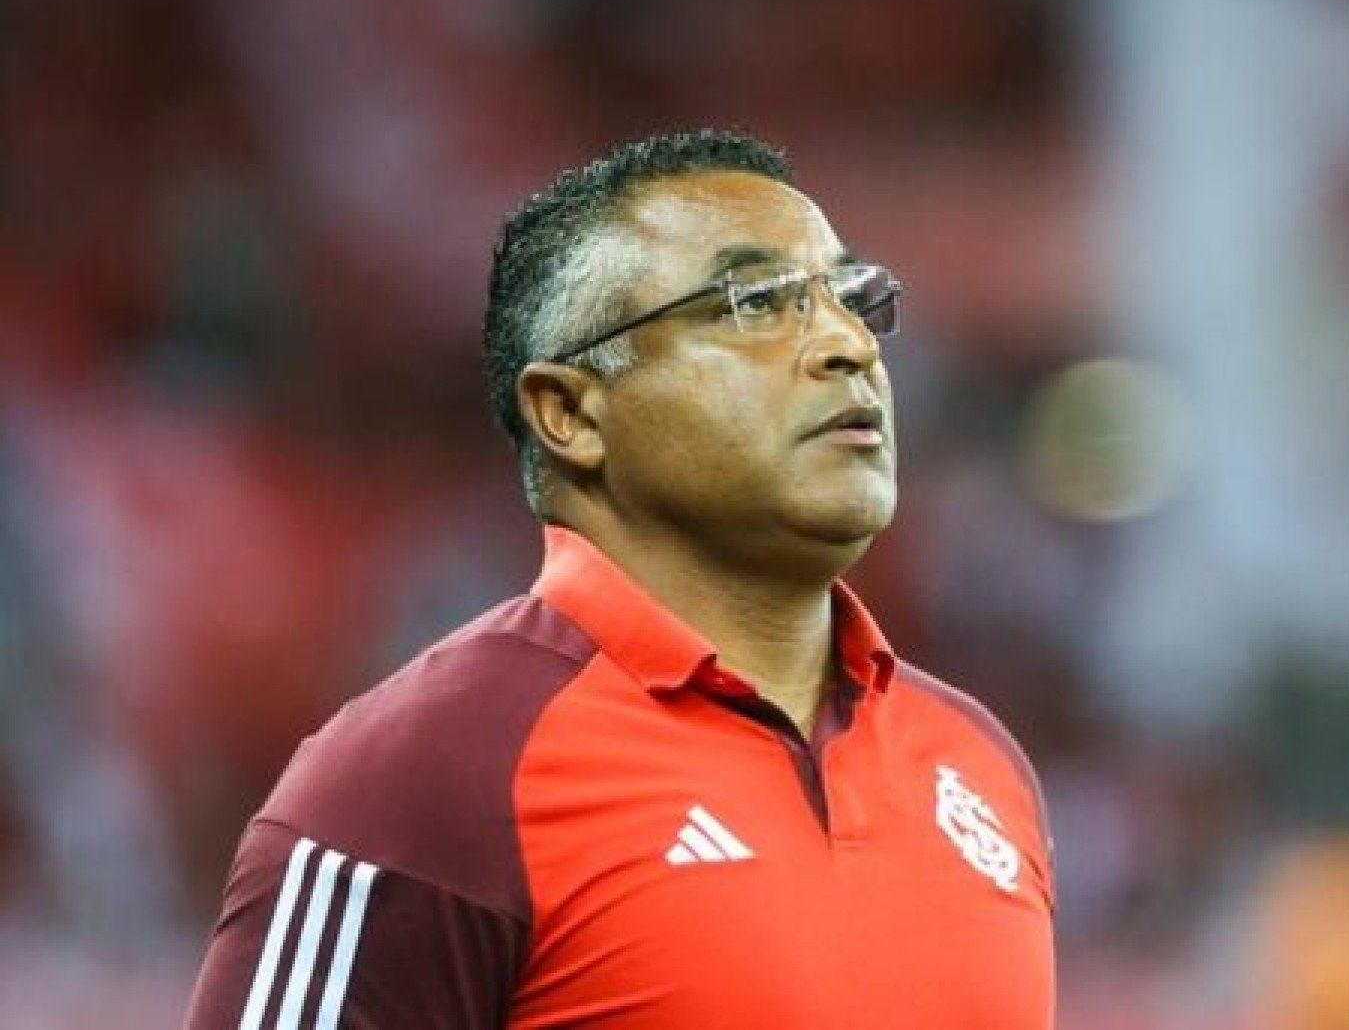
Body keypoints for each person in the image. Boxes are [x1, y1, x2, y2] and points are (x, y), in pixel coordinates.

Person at [184, 129, 1056, 1028]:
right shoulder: (426, 771)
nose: (847, 345)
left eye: (849, 298)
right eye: (755, 300)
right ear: (568, 412)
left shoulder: (979, 762)